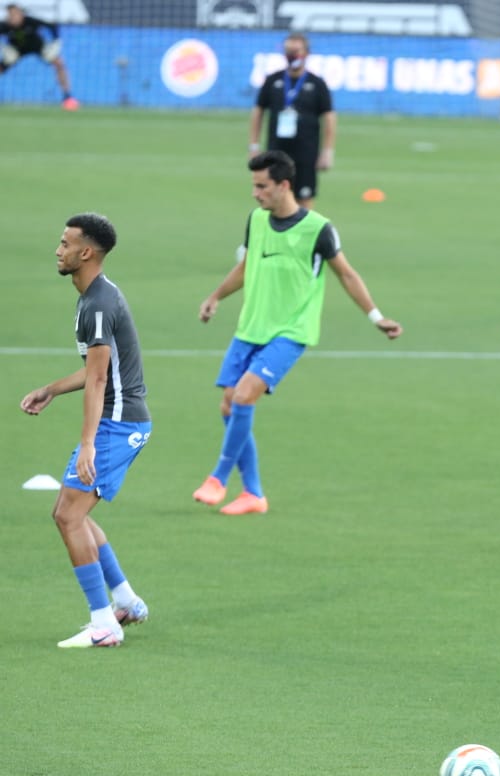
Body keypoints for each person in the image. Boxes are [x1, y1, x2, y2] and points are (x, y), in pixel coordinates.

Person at [193, 150, 402, 514]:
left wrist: (376, 316)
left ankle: (219, 478)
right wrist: (215, 296)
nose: (256, 193)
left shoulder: (318, 229)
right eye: (254, 186)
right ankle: (253, 494)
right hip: (251, 326)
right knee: (229, 403)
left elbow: (346, 274)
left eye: (263, 186)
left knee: (243, 396)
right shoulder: (257, 220)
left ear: (284, 185)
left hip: (291, 331)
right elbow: (247, 266)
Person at [20, 213, 151, 648]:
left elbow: (98, 379)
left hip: (117, 424)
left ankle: (104, 624)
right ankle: (127, 602)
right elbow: (98, 369)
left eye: (65, 244)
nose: (58, 250)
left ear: (86, 252)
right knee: (71, 511)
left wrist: (88, 443)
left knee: (68, 516)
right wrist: (51, 389)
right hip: (122, 420)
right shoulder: (95, 296)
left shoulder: (97, 304)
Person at [250, 32, 335, 209]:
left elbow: (329, 118)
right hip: (277, 152)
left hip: (306, 152)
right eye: (288, 51)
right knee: (274, 197)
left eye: (296, 51)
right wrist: (254, 146)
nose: (292, 56)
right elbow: (258, 111)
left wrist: (327, 151)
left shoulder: (317, 84)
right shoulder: (273, 80)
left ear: (306, 53)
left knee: (304, 199)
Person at [1, 3, 78, 110]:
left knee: (59, 63)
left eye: (15, 14)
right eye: (11, 15)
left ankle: (67, 96)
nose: (13, 17)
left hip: (38, 47)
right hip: (16, 51)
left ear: (21, 14)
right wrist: (4, 48)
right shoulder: (4, 26)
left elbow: (52, 26)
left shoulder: (30, 21)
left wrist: (56, 42)